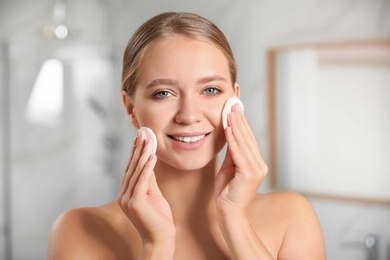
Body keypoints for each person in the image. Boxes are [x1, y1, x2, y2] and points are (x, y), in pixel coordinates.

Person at [48, 12, 326, 259]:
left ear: (235, 100)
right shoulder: (79, 230)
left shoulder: (292, 217)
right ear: (131, 108)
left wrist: (235, 220)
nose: (189, 115)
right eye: (163, 93)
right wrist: (156, 245)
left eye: (211, 90)